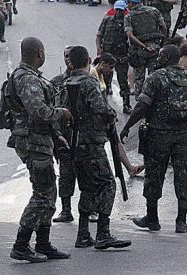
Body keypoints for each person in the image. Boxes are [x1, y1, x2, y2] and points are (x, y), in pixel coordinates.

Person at [121, 44, 187, 234]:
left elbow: (141, 107)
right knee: (183, 173)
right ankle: (181, 221)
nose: (158, 59)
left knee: (154, 174)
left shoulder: (155, 78)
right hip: (183, 136)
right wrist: (186, 119)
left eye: (161, 56)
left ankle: (152, 219)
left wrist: (127, 127)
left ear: (168, 58)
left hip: (157, 136)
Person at [5, 37, 72, 263]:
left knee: (49, 193)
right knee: (42, 193)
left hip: (41, 140)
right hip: (32, 142)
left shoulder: (31, 77)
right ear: (40, 53)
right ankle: (21, 245)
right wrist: (61, 112)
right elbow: (39, 112)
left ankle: (43, 243)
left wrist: (56, 135)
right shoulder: (26, 79)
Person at [65, 46, 132, 250]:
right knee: (107, 184)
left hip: (74, 143)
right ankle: (103, 232)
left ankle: (83, 233)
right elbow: (99, 108)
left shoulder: (66, 82)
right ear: (89, 60)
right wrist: (111, 116)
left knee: (87, 188)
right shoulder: (88, 82)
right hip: (92, 142)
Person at [124, 0, 167, 99]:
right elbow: (164, 27)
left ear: (131, 3)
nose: (126, 5)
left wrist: (143, 46)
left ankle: (140, 104)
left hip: (139, 51)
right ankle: (156, 100)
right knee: (155, 77)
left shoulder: (129, 16)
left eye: (127, 2)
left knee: (139, 79)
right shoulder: (154, 11)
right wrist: (162, 42)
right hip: (155, 49)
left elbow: (129, 34)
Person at [51, 47, 76, 224]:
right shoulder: (56, 82)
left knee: (87, 174)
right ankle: (66, 210)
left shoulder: (88, 80)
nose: (68, 59)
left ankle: (90, 210)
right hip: (63, 135)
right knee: (66, 174)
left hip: (83, 135)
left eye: (71, 56)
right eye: (65, 56)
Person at [97, 0, 132, 113]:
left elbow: (131, 39)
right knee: (105, 82)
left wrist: (129, 54)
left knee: (123, 81)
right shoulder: (107, 20)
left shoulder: (128, 22)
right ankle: (106, 106)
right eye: (117, 10)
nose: (118, 12)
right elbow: (99, 35)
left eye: (121, 10)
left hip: (121, 56)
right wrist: (99, 48)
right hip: (108, 55)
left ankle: (126, 104)